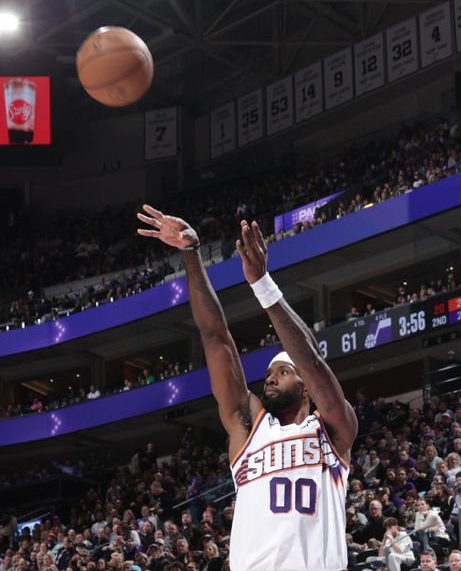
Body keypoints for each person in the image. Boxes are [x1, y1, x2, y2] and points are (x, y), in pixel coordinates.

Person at [137, 206, 357, 571]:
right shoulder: (248, 428)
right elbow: (215, 337)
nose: (269, 378)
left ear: (305, 387)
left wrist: (262, 285)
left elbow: (314, 364)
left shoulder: (332, 431)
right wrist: (191, 254)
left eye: (283, 371)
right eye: (269, 374)